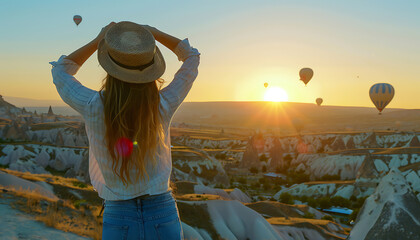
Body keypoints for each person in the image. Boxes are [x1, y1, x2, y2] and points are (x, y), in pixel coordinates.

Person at [50, 21, 200, 240]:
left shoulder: (93, 105)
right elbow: (192, 57)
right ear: (151, 69)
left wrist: (98, 40)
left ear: (109, 67)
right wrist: (155, 34)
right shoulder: (163, 104)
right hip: (162, 212)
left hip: (118, 215)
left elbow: (61, 70)